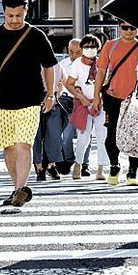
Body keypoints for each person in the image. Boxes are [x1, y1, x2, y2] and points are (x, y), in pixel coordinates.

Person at [0, 0, 57, 207]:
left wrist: (50, 94)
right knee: (8, 147)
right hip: (1, 102)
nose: (14, 20)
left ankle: (21, 188)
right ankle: (16, 189)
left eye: (19, 15)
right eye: (10, 16)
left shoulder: (37, 36)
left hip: (30, 101)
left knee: (23, 145)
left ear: (25, 12)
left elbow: (49, 67)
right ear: (4, 12)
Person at [93, 20, 138, 186]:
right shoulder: (110, 45)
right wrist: (96, 97)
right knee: (112, 133)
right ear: (119, 28)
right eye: (125, 27)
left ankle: (132, 172)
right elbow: (100, 72)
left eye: (132, 27)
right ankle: (114, 166)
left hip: (135, 98)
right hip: (112, 95)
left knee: (136, 134)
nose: (129, 31)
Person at [65, 35, 109, 181]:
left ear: (98, 48)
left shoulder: (103, 62)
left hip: (101, 104)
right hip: (83, 105)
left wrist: (101, 98)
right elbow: (69, 83)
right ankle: (78, 164)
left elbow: (107, 83)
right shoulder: (77, 64)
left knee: (102, 137)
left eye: (92, 47)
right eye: (86, 47)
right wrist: (79, 96)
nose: (89, 50)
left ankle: (101, 169)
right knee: (84, 137)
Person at [55, 39, 86, 174]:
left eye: (78, 52)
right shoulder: (63, 65)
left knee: (84, 135)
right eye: (71, 52)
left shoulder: (90, 65)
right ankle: (69, 159)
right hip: (67, 102)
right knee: (66, 135)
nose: (74, 55)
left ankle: (84, 164)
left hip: (84, 102)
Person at [32, 60, 65, 182]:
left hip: (53, 101)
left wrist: (57, 94)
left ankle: (52, 166)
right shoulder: (30, 62)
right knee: (36, 137)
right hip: (34, 101)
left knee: (54, 136)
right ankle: (39, 169)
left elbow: (63, 81)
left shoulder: (56, 64)